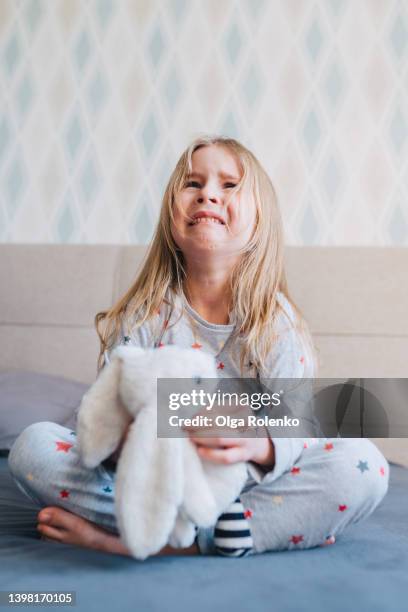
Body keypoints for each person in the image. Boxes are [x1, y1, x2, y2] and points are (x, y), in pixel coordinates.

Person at [8, 135, 389, 558]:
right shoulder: (144, 315)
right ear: (171, 214)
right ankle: (221, 533)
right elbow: (97, 419)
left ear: (260, 221)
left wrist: (258, 443)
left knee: (363, 465)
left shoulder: (275, 321)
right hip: (157, 481)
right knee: (33, 445)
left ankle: (142, 539)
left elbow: (298, 424)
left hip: (248, 485)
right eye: (192, 183)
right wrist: (124, 434)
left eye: (228, 185)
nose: (207, 192)